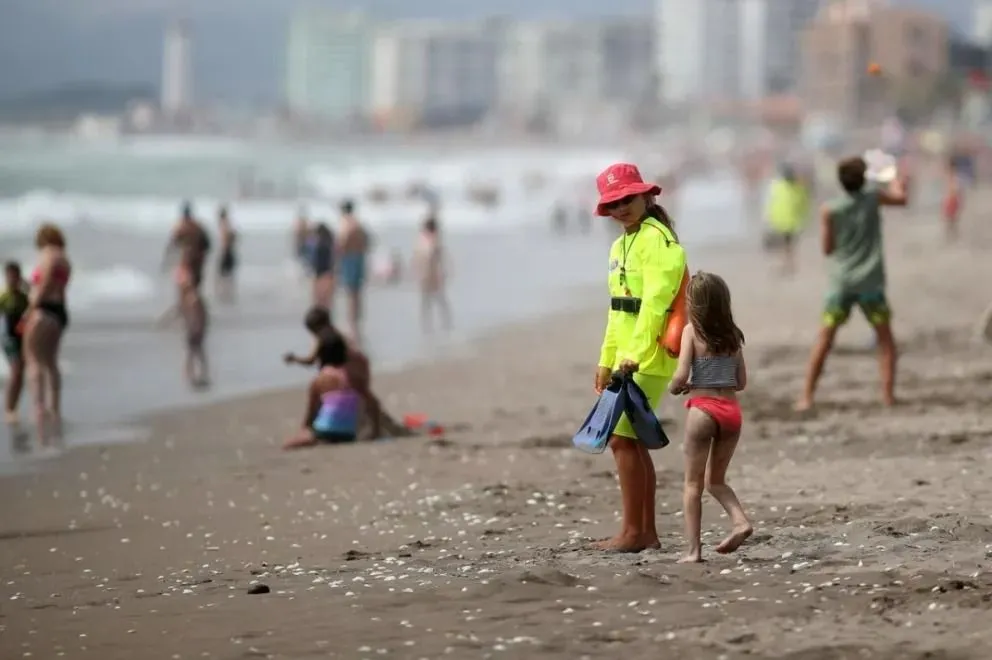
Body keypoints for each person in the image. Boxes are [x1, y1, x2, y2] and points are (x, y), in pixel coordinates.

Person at [593, 163, 687, 553]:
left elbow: (655, 303)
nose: (621, 208)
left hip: (650, 354)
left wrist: (631, 356)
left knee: (620, 438)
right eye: (613, 203)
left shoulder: (659, 240)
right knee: (630, 442)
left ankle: (635, 533)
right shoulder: (619, 246)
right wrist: (606, 358)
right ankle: (644, 533)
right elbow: (619, 309)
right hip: (628, 355)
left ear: (646, 196)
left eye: (627, 199)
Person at [796, 156, 908, 412]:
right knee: (886, 341)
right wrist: (896, 180)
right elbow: (901, 199)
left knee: (825, 339)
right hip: (871, 283)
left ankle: (807, 396)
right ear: (863, 178)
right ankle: (888, 396)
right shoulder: (872, 198)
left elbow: (827, 249)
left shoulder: (830, 210)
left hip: (842, 282)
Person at [668, 271, 751, 563]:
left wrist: (676, 386)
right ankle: (740, 521)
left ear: (694, 304)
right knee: (715, 481)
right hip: (730, 412)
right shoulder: (733, 336)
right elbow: (740, 383)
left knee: (692, 484)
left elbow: (680, 375)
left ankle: (693, 551)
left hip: (702, 410)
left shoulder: (692, 331)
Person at [23, 224, 72, 445]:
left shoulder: (48, 255)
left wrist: (29, 309)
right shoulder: (66, 259)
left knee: (32, 359)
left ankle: (38, 408)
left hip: (43, 309)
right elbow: (60, 288)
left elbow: (43, 285)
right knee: (51, 361)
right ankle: (55, 406)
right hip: (60, 311)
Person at [160, 202, 210, 324]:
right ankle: (192, 313)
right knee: (194, 290)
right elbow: (207, 245)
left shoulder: (182, 227)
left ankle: (188, 313)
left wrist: (166, 261)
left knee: (185, 290)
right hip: (197, 263)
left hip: (187, 263)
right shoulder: (198, 227)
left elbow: (171, 245)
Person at [763, 163, 810, 273]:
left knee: (786, 245)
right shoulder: (780, 186)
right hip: (780, 222)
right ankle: (787, 265)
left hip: (787, 222)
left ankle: (787, 265)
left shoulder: (781, 186)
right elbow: (770, 203)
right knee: (784, 246)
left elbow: (803, 205)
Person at [336, 200, 370, 339]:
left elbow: (342, 242)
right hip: (359, 257)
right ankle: (357, 322)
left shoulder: (345, 223)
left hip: (349, 258)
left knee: (350, 293)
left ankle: (352, 324)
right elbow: (367, 241)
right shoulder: (358, 223)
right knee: (357, 292)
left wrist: (338, 257)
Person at [0, 262, 29, 424]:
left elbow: (34, 303)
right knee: (16, 371)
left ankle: (13, 407)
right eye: (9, 276)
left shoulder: (24, 297)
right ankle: (8, 409)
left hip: (21, 338)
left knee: (20, 374)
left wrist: (26, 285)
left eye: (15, 276)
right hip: (7, 338)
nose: (12, 280)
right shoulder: (4, 296)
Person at [413, 216, 452, 333]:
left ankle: (429, 324)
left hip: (428, 273)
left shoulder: (425, 240)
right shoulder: (431, 240)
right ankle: (440, 323)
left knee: (429, 300)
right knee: (435, 299)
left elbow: (420, 258)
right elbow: (435, 258)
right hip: (430, 273)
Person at [179, 282, 209, 388]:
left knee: (194, 353)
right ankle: (195, 375)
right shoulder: (194, 300)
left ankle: (192, 375)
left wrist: (197, 329)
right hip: (195, 330)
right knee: (196, 353)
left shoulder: (193, 300)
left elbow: (198, 317)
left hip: (195, 330)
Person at [306, 223, 335, 310]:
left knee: (319, 300)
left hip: (320, 273)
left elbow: (314, 261)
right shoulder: (329, 244)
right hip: (328, 273)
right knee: (327, 301)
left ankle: (320, 318)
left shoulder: (319, 246)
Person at [215, 205, 238, 302]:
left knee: (223, 274)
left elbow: (229, 237)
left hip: (226, 252)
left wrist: (226, 247)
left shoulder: (224, 224)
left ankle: (225, 294)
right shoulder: (227, 224)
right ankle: (227, 293)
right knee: (227, 274)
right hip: (229, 251)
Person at [942, 156, 963, 242]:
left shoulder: (954, 177)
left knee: (951, 219)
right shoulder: (952, 176)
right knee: (950, 218)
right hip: (951, 198)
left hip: (952, 199)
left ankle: (952, 235)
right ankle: (952, 234)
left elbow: (955, 189)